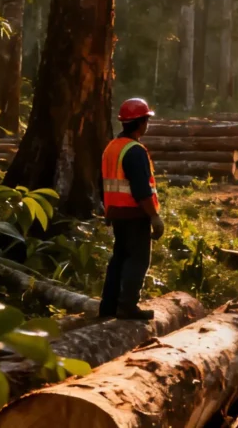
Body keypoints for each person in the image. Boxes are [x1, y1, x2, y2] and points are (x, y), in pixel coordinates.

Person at [99, 98, 166, 320]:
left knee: (119, 258)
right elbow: (141, 190)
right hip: (135, 214)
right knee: (137, 260)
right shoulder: (135, 151)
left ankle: (108, 307)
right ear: (140, 122)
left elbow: (105, 182)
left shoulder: (112, 147)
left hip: (117, 213)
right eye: (146, 120)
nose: (147, 124)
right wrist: (154, 216)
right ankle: (128, 306)